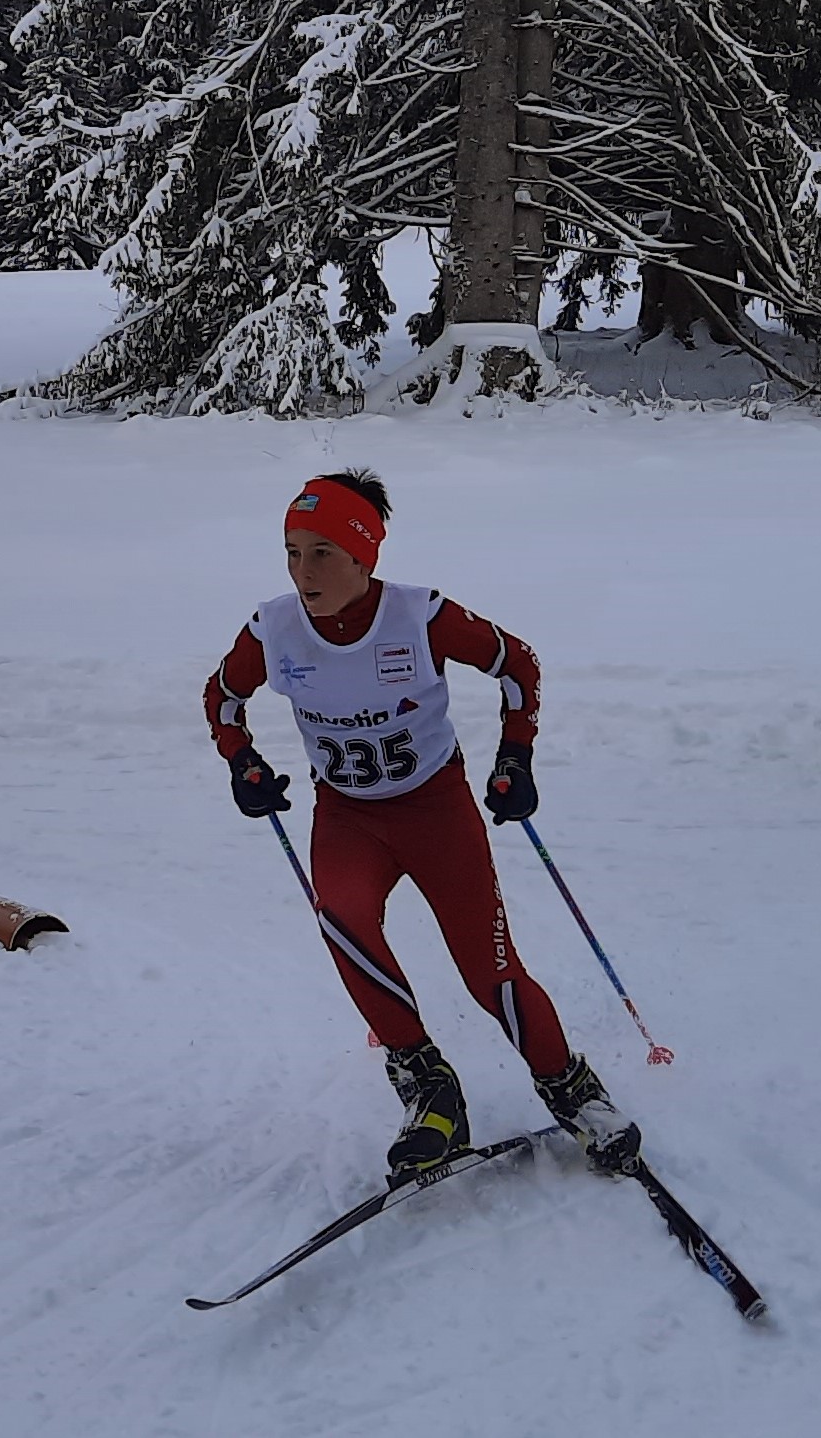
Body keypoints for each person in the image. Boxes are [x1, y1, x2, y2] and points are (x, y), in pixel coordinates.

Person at [205, 470, 641, 1185]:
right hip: (347, 817)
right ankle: (429, 1089)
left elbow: (517, 665)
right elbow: (222, 696)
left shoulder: (419, 615)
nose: (303, 571)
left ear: (363, 555)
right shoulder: (272, 629)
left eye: (322, 553)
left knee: (488, 971)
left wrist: (515, 756)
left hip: (436, 811)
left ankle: (571, 1089)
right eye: (291, 552)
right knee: (343, 920)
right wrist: (241, 761)